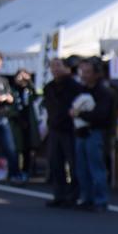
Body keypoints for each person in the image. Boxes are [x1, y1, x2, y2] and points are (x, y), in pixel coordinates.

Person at [70, 58, 114, 212]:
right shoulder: (81, 90)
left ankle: (100, 200)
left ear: (96, 74)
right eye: (83, 72)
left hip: (95, 132)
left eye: (88, 72)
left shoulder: (104, 92)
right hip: (80, 132)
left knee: (96, 167)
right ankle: (86, 198)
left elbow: (100, 115)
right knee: (81, 168)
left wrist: (80, 114)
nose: (84, 75)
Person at [43, 57, 81, 207]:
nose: (55, 69)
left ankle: (73, 196)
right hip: (54, 128)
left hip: (70, 129)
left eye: (58, 66)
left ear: (67, 68)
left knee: (73, 163)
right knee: (55, 163)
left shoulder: (75, 86)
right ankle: (59, 194)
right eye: (53, 66)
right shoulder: (49, 87)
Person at [9, 69, 39, 181]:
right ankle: (15, 172)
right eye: (19, 76)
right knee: (16, 148)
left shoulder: (29, 90)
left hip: (29, 123)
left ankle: (26, 171)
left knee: (27, 148)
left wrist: (29, 81)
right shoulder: (12, 89)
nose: (21, 78)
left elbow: (36, 96)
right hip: (16, 122)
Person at [0, 49, 19, 181]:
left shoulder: (3, 80)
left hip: (2, 117)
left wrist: (7, 98)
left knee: (9, 147)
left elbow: (11, 97)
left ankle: (15, 174)